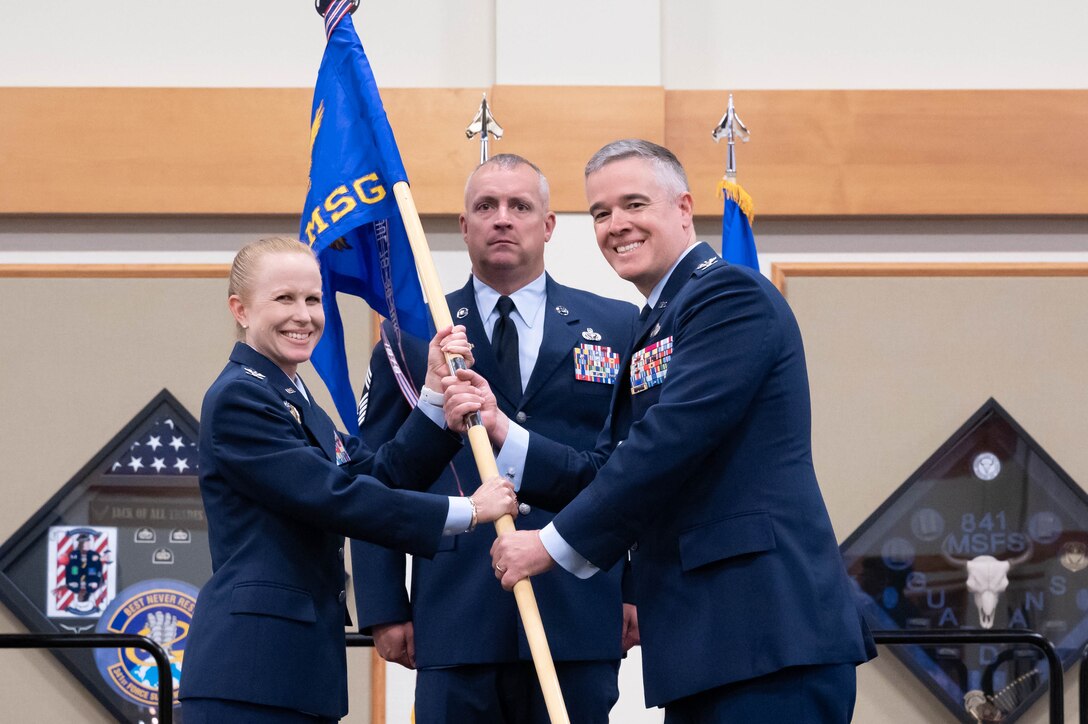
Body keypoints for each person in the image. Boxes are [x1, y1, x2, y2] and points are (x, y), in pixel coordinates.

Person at [448, 140, 877, 722]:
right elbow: (608, 464)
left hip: (766, 632)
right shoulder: (657, 322)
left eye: (633, 204)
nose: (616, 225)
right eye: (600, 213)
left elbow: (667, 444)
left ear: (683, 208)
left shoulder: (729, 296)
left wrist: (548, 546)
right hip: (705, 645)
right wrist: (503, 431)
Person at [179, 236, 517, 724]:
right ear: (241, 309)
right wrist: (468, 511)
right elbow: (336, 498)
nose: (304, 315)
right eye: (284, 299)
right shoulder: (240, 399)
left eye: (313, 299)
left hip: (296, 676)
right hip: (249, 677)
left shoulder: (292, 396)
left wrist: (436, 396)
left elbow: (376, 473)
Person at [351, 154, 640, 724]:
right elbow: (376, 478)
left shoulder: (617, 325)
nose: (502, 219)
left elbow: (637, 469)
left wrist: (636, 587)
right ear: (464, 226)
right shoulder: (411, 335)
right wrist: (385, 607)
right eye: (485, 206)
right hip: (455, 608)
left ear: (549, 225)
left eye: (519, 206)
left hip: (577, 605)